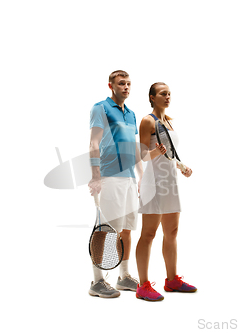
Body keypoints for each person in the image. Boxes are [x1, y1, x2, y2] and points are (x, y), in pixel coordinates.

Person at [135, 82, 197, 302]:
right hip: (154, 184)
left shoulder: (169, 122)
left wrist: (182, 167)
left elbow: (170, 153)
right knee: (149, 234)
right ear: (152, 97)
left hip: (170, 182)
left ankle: (171, 280)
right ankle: (142, 286)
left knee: (172, 232)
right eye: (163, 94)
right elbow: (141, 156)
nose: (168, 97)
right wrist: (154, 152)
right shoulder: (147, 121)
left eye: (169, 93)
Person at [87, 70, 142, 298]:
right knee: (106, 231)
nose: (126, 87)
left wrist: (141, 177)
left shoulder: (131, 114)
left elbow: (135, 147)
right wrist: (95, 175)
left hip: (129, 178)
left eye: (128, 84)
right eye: (121, 84)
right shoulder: (100, 108)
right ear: (111, 85)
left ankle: (124, 276)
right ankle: (97, 281)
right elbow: (93, 142)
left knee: (127, 230)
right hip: (110, 176)